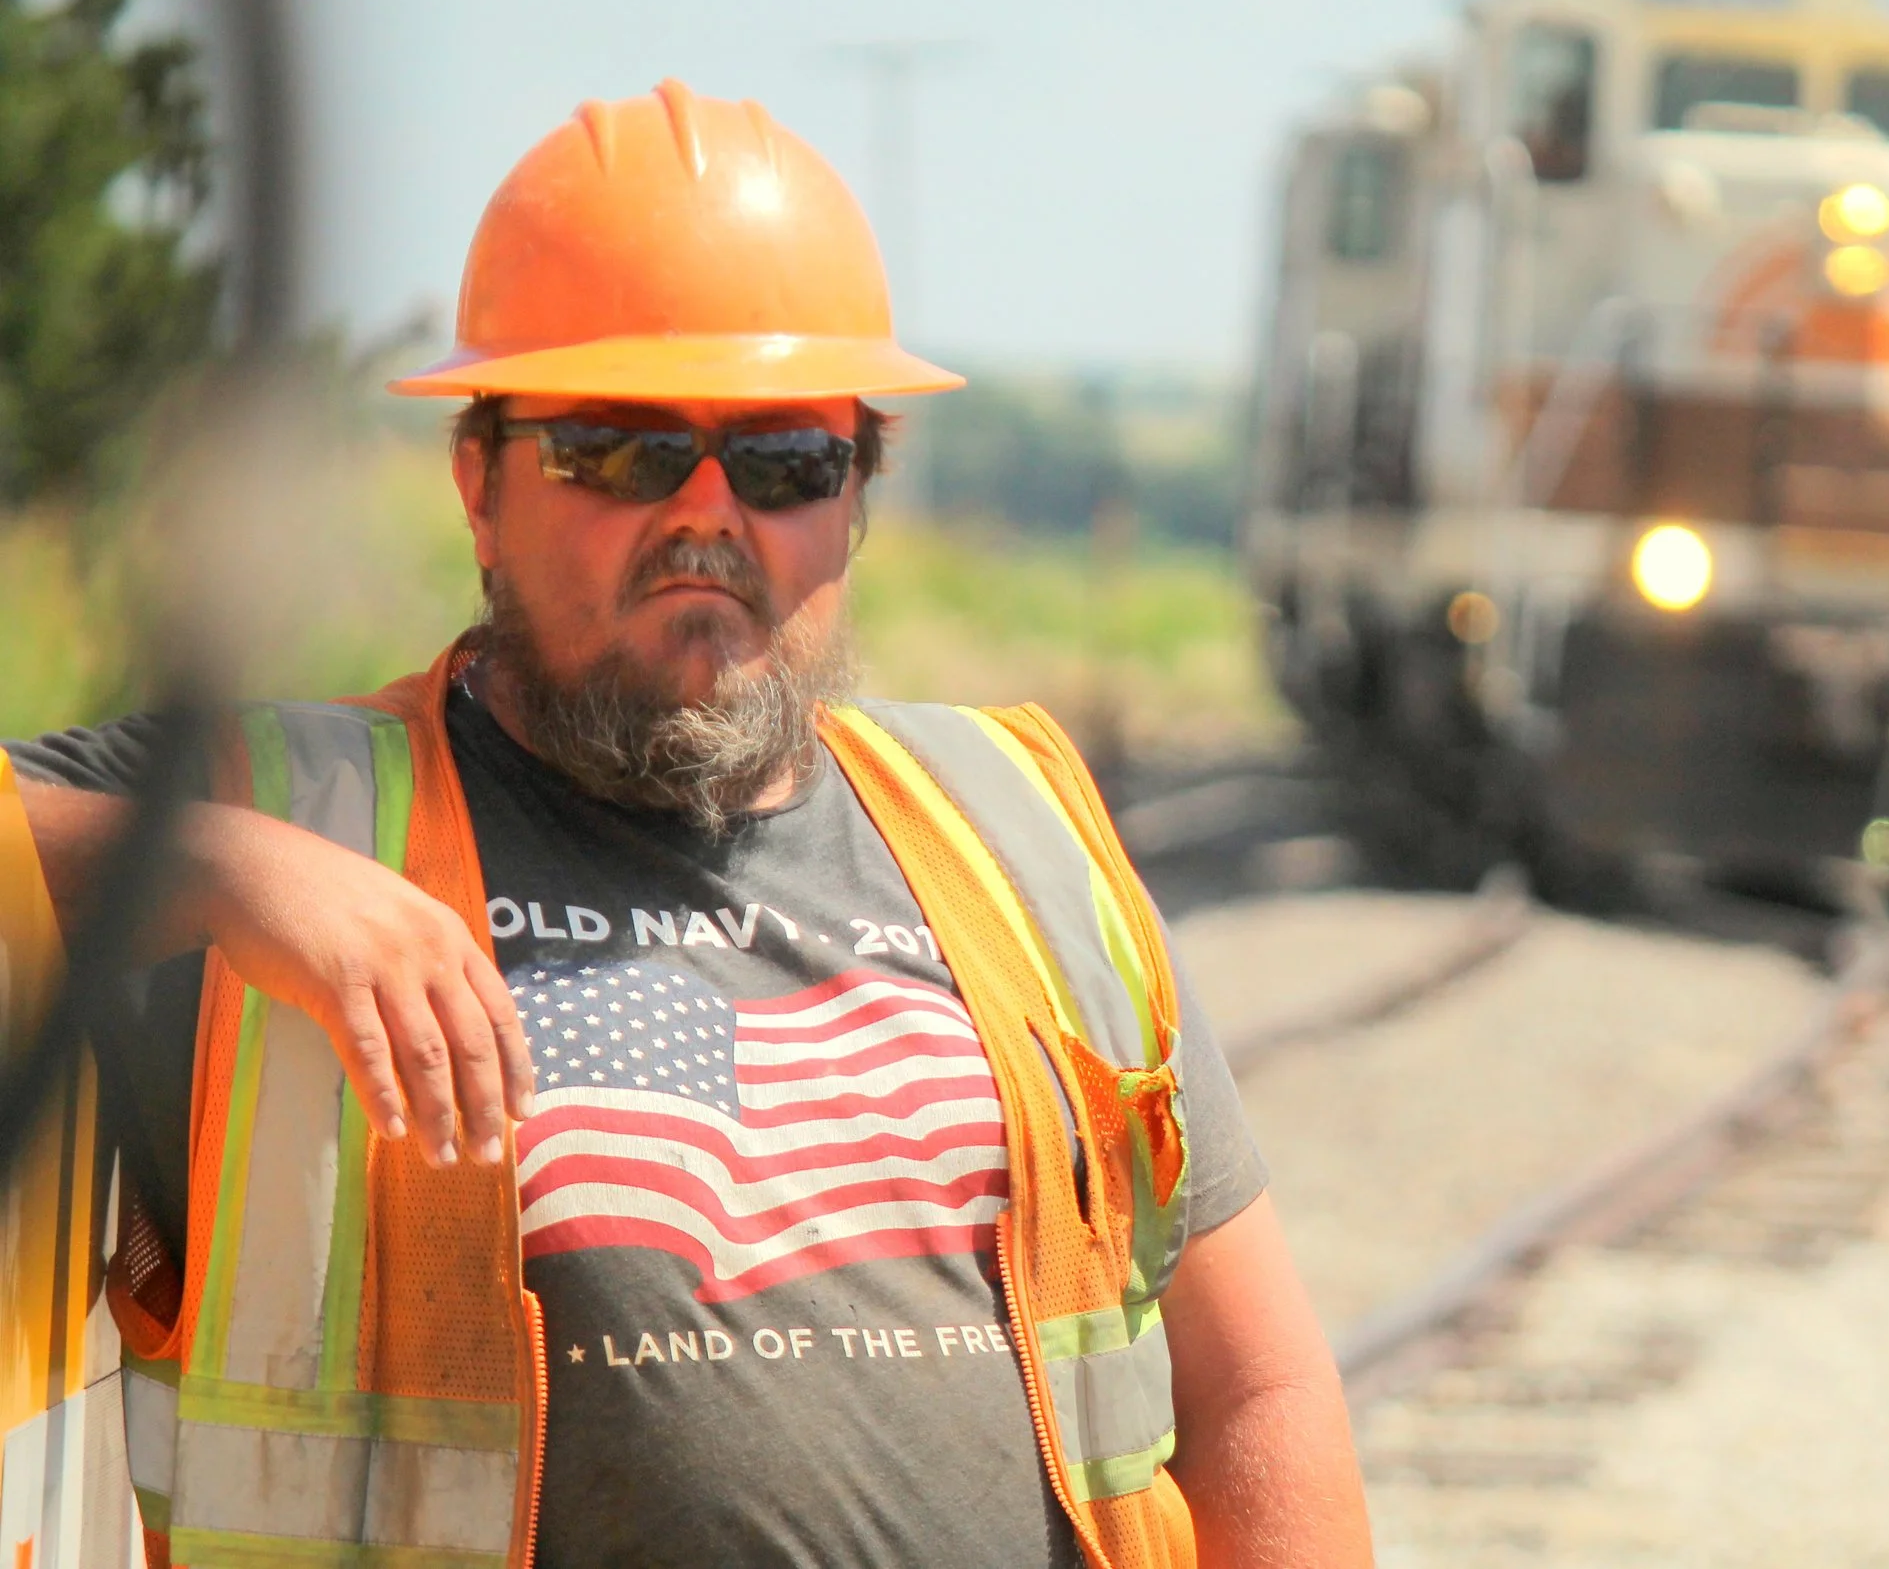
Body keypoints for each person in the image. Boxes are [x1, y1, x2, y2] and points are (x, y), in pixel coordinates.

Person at [4, 80, 1369, 1568]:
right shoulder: (290, 817)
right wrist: (217, 867)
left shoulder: (1016, 827)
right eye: (621, 448)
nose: (707, 513)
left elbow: (1254, 1387)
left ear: (856, 499)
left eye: (786, 461)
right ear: (479, 482)